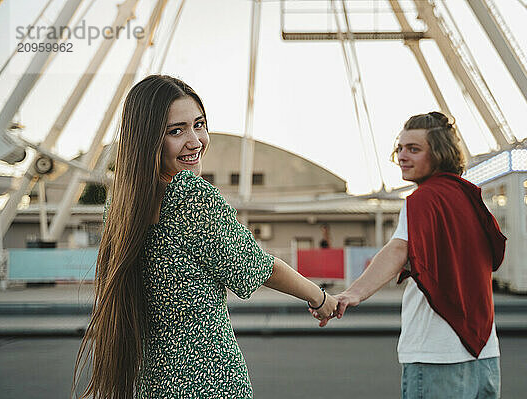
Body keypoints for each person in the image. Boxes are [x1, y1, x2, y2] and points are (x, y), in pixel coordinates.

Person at [72, 75, 337, 399]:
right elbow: (260, 268)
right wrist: (320, 298)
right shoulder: (191, 197)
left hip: (152, 385)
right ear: (146, 139)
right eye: (176, 131)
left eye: (199, 124)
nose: (196, 140)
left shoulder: (121, 206)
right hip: (209, 383)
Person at [318, 112, 506, 398]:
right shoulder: (471, 197)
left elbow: (398, 248)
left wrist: (353, 294)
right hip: (485, 353)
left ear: (440, 153)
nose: (402, 156)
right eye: (400, 148)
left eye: (414, 149)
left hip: (436, 354)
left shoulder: (423, 200)